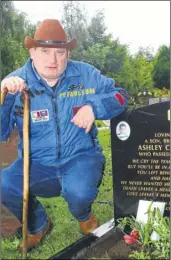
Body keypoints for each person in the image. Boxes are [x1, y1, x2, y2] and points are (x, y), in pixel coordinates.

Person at [1, 19, 128, 252]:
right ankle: (38, 225)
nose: (53, 59)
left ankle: (84, 216)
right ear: (32, 51)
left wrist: (94, 107)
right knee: (4, 183)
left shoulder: (86, 74)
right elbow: (2, 132)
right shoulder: (15, 82)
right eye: (45, 51)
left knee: (79, 192)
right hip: (37, 164)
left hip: (80, 157)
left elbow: (120, 96)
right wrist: (5, 96)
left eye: (60, 52)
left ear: (67, 52)